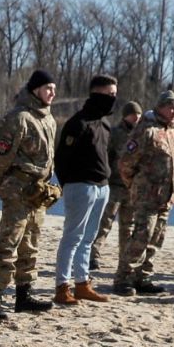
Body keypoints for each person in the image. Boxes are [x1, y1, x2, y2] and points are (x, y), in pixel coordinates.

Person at [0, 69, 59, 319]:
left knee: (31, 245)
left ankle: (23, 296)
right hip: (17, 190)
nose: (52, 93)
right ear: (35, 89)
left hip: (38, 192)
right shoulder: (18, 118)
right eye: (48, 88)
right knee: (8, 245)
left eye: (54, 89)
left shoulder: (49, 119)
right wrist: (3, 188)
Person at [52, 74, 118, 304]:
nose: (113, 99)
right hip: (80, 187)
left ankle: (82, 283)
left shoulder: (105, 124)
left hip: (102, 187)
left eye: (115, 94)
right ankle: (62, 287)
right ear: (97, 94)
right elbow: (61, 159)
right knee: (73, 237)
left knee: (89, 238)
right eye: (110, 94)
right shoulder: (77, 123)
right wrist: (68, 184)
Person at [115, 90, 174, 296]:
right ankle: (123, 278)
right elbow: (126, 163)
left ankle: (142, 277)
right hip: (147, 197)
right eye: (171, 107)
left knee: (156, 239)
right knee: (140, 238)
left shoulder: (171, 132)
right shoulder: (146, 130)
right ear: (160, 107)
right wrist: (136, 186)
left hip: (166, 197)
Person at [92, 101, 141, 271]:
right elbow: (106, 156)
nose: (136, 117)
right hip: (114, 185)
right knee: (104, 222)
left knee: (128, 226)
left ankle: (125, 258)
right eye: (133, 114)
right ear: (125, 115)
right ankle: (93, 255)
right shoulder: (115, 133)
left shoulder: (142, 134)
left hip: (132, 187)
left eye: (138, 114)